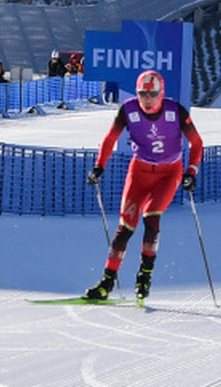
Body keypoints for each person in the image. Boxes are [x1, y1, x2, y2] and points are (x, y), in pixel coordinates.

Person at [84, 70, 204, 302]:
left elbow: (197, 143)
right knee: (125, 227)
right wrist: (99, 166)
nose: (147, 99)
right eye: (142, 94)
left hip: (168, 173)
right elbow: (110, 139)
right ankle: (107, 282)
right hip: (139, 171)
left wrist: (191, 171)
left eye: (152, 94)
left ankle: (144, 276)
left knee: (151, 217)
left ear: (161, 93)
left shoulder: (175, 111)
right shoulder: (128, 110)